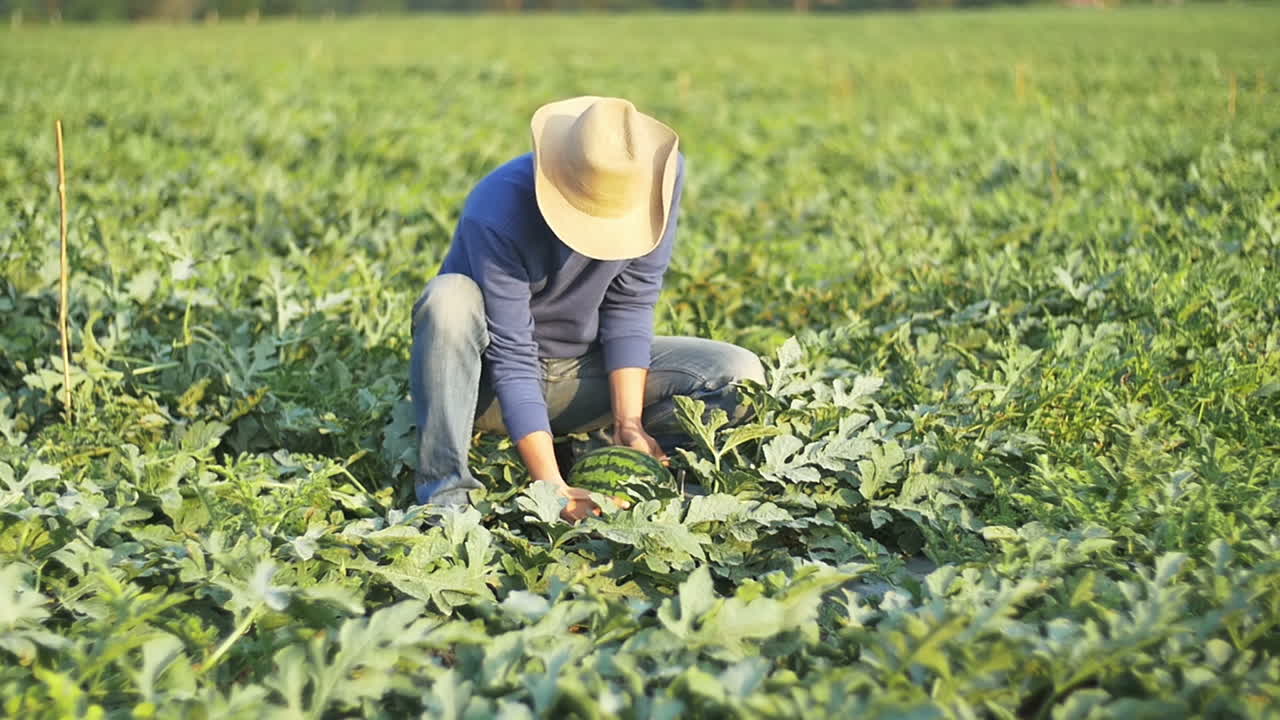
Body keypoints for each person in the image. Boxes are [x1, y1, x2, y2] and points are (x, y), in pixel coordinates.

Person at [409, 96, 765, 523]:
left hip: (580, 374)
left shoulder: (657, 182)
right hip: (487, 389)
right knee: (448, 299)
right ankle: (446, 502)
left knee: (737, 372)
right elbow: (513, 356)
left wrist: (628, 422)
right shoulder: (497, 209)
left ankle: (623, 469)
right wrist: (550, 489)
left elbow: (631, 303)